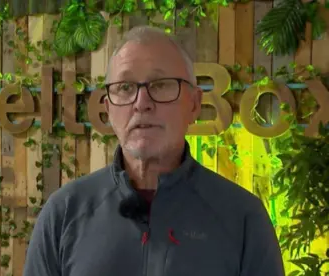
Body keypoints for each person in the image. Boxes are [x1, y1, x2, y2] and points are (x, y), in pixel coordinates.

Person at [23, 25, 285, 276]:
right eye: (125, 88)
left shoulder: (242, 218)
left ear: (194, 104)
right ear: (107, 108)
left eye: (160, 85)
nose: (142, 103)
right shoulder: (64, 213)